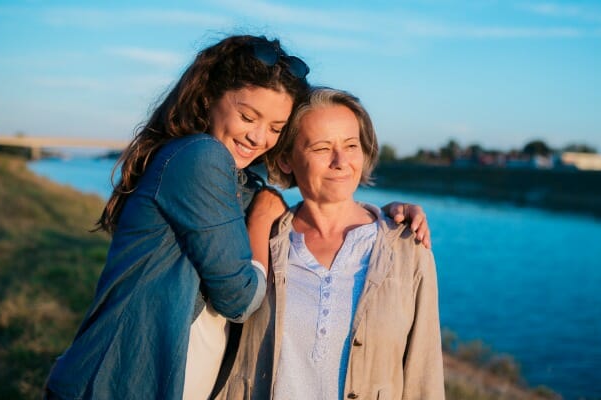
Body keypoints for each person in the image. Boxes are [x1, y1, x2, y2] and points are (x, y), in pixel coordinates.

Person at [44, 36, 431, 400]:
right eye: (248, 117)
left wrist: (385, 216)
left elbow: (302, 193)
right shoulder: (201, 156)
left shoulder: (236, 181)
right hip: (119, 382)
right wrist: (262, 220)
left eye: (275, 128)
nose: (258, 137)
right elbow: (240, 299)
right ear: (208, 98)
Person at [217, 87, 445, 399]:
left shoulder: (408, 246)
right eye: (322, 148)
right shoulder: (263, 237)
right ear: (285, 160)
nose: (340, 161)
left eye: (351, 145)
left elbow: (424, 375)